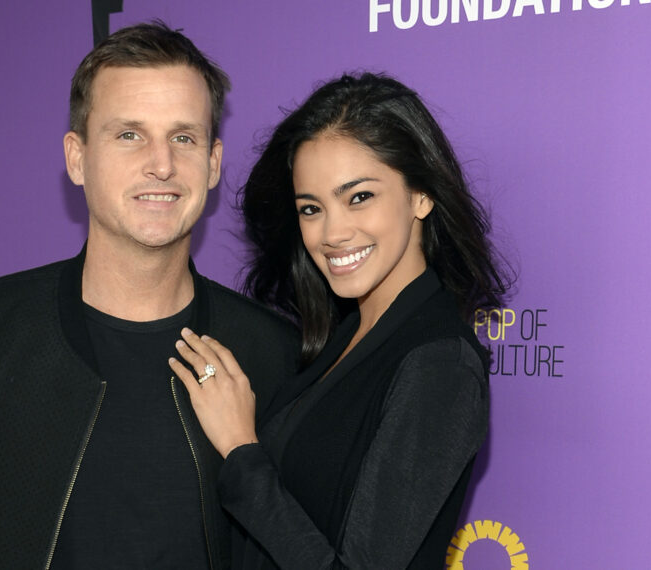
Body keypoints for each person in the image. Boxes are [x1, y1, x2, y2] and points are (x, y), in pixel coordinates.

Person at [0, 22, 298, 569]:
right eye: (129, 134)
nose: (162, 164)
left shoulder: (272, 353)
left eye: (183, 137)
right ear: (77, 158)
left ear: (214, 163)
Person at [169, 72, 510, 568]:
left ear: (421, 195)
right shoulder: (346, 333)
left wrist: (242, 449)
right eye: (312, 208)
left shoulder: (440, 364)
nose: (332, 233)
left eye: (359, 197)